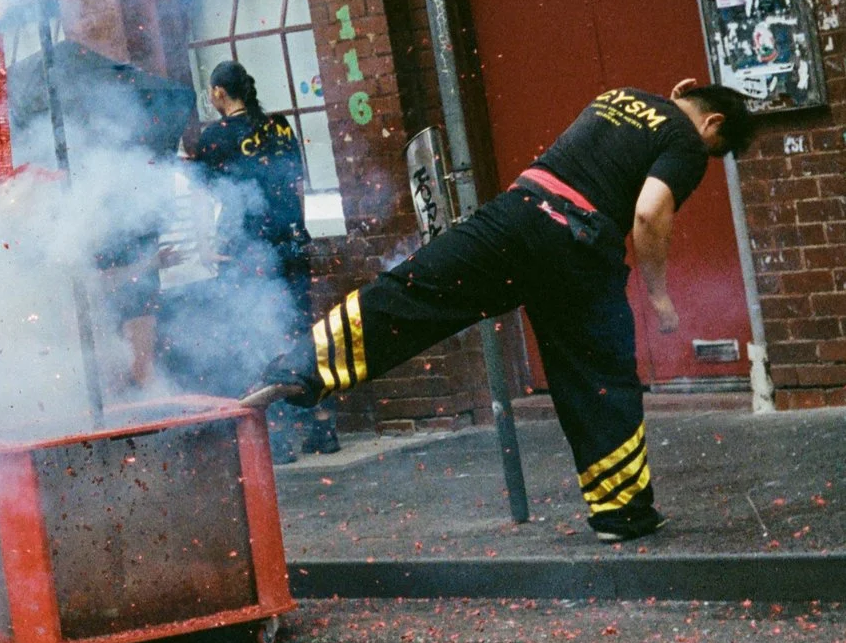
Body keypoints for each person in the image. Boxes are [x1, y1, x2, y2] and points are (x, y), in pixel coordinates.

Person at [248, 80, 757, 542]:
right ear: (712, 124)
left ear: (682, 89)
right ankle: (622, 514)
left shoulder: (617, 96)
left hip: (514, 214)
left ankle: (301, 367)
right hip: (578, 247)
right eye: (717, 150)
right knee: (598, 379)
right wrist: (659, 295)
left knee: (414, 290)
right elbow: (649, 211)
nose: (706, 157)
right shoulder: (686, 140)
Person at [184, 60, 338, 460]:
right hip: (291, 244)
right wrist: (296, 234)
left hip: (250, 252)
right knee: (300, 333)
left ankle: (280, 439)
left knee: (257, 335)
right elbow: (297, 186)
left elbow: (203, 199)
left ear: (218, 93)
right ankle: (323, 428)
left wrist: (204, 246)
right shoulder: (281, 126)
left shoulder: (214, 137)